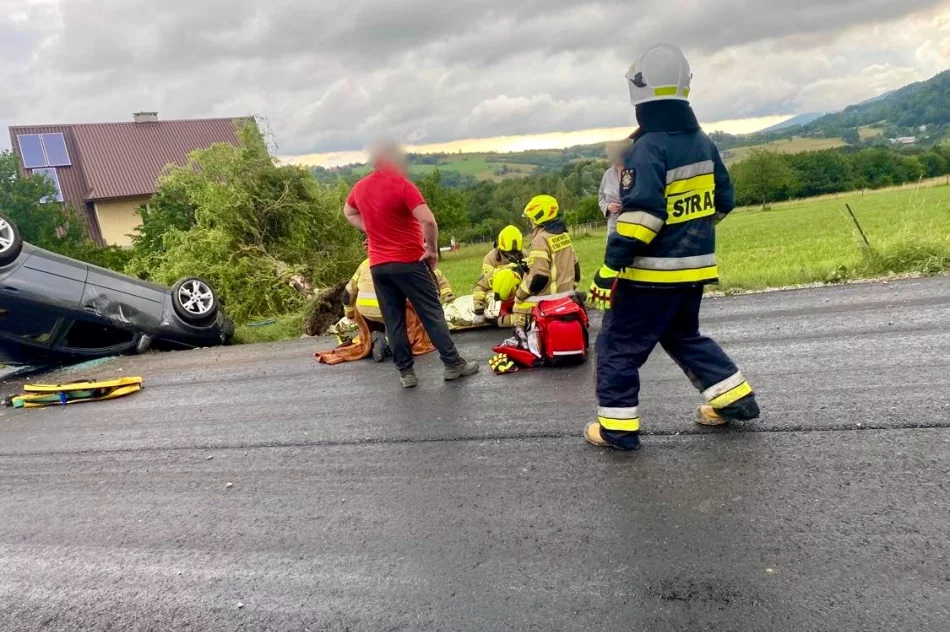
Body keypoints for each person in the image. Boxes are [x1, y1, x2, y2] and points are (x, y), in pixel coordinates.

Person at [586, 44, 760, 451]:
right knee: (683, 336)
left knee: (617, 347)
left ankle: (617, 430)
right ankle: (736, 400)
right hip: (693, 270)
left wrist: (609, 268)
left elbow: (642, 216)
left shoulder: (646, 148)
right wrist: (690, 231)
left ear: (638, 91)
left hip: (650, 275)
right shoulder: (702, 141)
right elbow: (724, 201)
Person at [343, 140, 478, 388]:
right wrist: (431, 250)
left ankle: (406, 373)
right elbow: (428, 222)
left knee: (393, 320)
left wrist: (371, 231)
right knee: (431, 314)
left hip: (379, 266)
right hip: (409, 261)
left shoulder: (360, 188)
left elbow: (349, 212)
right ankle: (453, 364)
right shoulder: (402, 185)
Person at [343, 249, 456, 362]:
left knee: (385, 318)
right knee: (412, 320)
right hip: (391, 307)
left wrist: (349, 313)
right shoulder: (407, 259)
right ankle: (391, 342)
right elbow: (437, 277)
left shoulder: (366, 263)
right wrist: (447, 295)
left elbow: (348, 292)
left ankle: (372, 338)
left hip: (365, 312)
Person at [513, 195, 581, 328]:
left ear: (538, 217)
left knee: (518, 308)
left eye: (531, 219)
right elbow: (575, 265)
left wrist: (519, 295)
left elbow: (539, 278)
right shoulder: (563, 234)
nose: (531, 223)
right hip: (567, 294)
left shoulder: (541, 239)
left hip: (550, 298)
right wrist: (572, 287)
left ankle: (526, 340)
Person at [472, 225, 526, 325]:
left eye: (516, 253)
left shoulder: (525, 255)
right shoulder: (490, 258)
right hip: (498, 296)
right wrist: (479, 310)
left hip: (521, 296)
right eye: (508, 253)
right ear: (500, 248)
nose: (512, 256)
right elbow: (482, 285)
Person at [598, 140, 632, 235]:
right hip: (613, 226)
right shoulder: (607, 174)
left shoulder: (634, 171)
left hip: (632, 224)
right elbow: (601, 198)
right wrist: (608, 207)